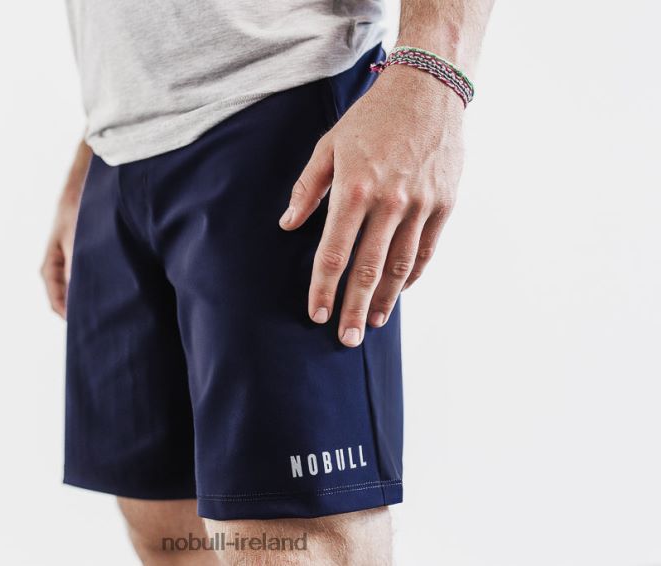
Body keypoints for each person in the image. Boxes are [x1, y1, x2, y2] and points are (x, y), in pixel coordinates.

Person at [42, 0, 493, 563]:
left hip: (282, 110)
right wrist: (92, 150)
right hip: (118, 152)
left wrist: (434, 77)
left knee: (294, 540)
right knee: (167, 532)